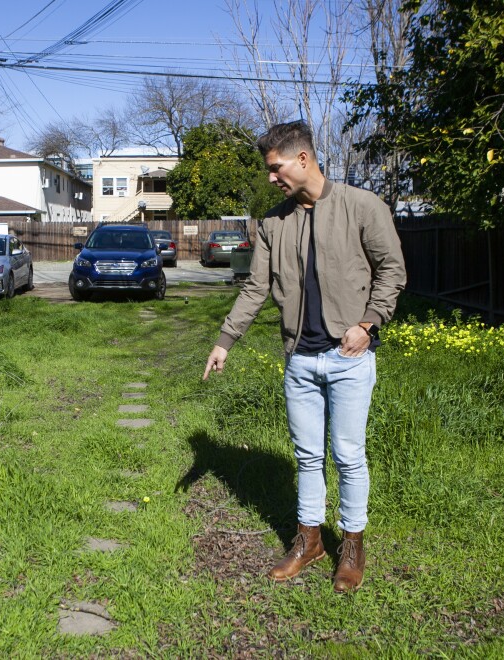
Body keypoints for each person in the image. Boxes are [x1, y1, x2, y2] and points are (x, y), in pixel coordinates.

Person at [202, 120, 406, 592]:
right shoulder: (274, 222)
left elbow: (392, 270)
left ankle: (352, 545)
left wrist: (368, 324)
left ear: (303, 159)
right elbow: (255, 287)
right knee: (308, 456)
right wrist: (225, 340)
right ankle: (310, 541)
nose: (271, 178)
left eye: (275, 169)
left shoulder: (362, 207)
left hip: (348, 356)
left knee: (348, 455)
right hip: (300, 359)